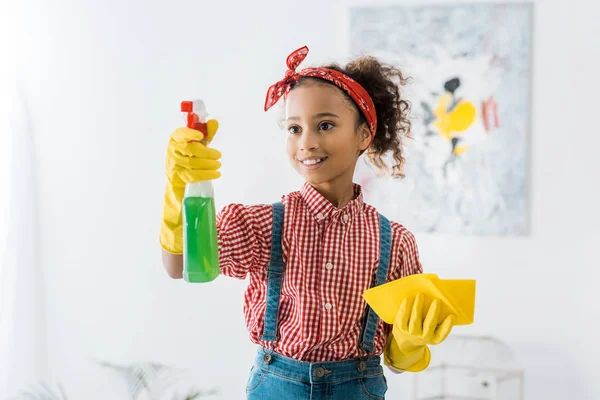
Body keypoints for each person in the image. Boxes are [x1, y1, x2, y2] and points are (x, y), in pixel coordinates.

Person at [160, 46, 455, 399]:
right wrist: (181, 190)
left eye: (325, 125)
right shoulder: (263, 225)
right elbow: (182, 265)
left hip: (358, 387)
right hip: (276, 387)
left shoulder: (395, 242)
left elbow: (396, 357)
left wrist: (409, 343)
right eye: (294, 128)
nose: (307, 142)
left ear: (364, 135)